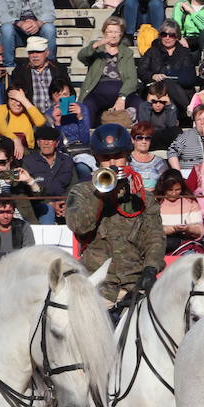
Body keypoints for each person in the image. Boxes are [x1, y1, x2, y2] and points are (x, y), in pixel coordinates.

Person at [65, 122, 166, 310]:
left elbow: (154, 238)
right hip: (96, 288)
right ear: (97, 161)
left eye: (118, 157)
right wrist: (101, 193)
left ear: (127, 157)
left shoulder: (143, 197)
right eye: (106, 158)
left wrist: (150, 269)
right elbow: (80, 225)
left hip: (135, 287)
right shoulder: (81, 192)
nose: (112, 164)